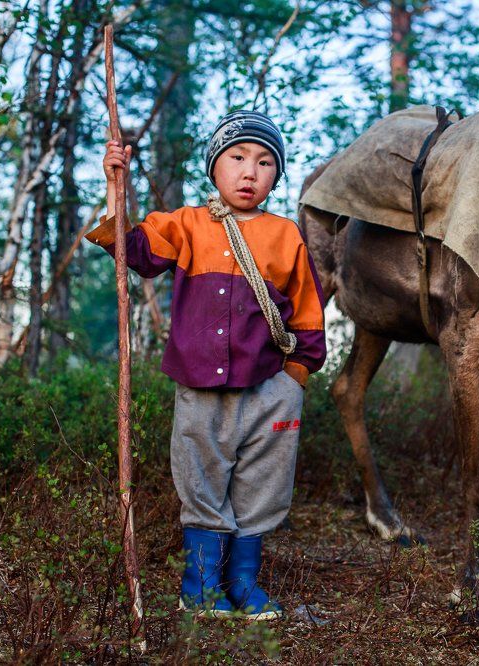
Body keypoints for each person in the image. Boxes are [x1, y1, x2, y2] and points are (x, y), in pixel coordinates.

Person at [87, 110, 326, 620]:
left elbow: (307, 310)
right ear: (214, 167)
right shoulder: (188, 224)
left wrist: (295, 377)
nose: (249, 172)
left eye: (264, 163)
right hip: (200, 387)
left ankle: (242, 583)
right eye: (237, 158)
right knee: (201, 478)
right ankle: (199, 586)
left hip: (269, 389)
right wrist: (117, 187)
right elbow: (135, 251)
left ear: (274, 177)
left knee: (264, 481)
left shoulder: (286, 235)